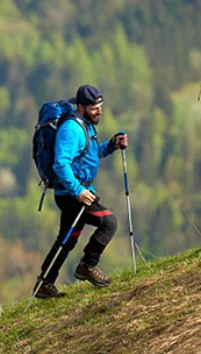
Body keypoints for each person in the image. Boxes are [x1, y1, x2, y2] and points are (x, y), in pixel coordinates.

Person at [33, 84, 129, 299]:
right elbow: (61, 164)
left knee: (66, 240)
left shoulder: (85, 125)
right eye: (95, 108)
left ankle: (44, 283)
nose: (100, 111)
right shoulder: (71, 129)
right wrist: (78, 191)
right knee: (109, 222)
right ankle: (87, 265)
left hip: (75, 192)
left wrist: (113, 145)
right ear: (81, 107)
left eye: (101, 106)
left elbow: (91, 153)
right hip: (73, 195)